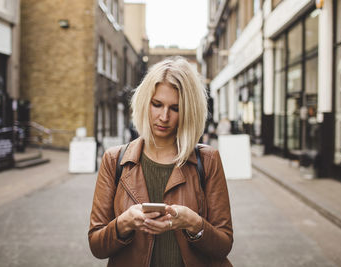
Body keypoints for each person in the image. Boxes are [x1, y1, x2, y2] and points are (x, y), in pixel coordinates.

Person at [88, 57, 233, 266]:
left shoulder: (208, 160)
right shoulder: (115, 160)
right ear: (145, 102)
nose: (164, 116)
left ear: (188, 111)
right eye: (157, 104)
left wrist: (193, 223)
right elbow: (97, 245)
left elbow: (224, 245)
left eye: (175, 108)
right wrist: (125, 222)